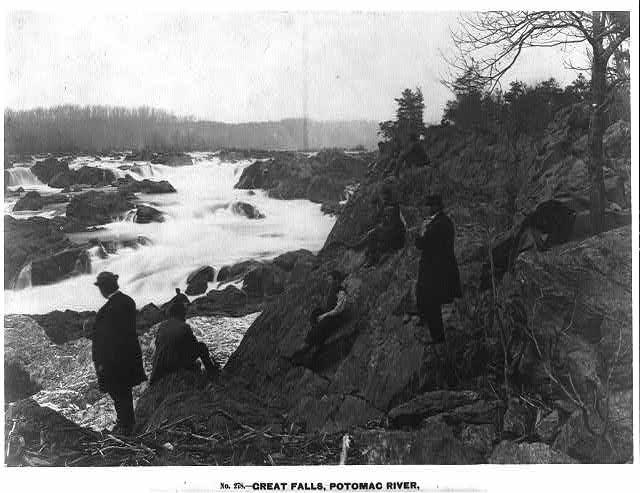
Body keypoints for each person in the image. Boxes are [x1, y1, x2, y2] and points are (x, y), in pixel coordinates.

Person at [87, 271, 146, 435]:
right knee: (125, 393)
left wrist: (101, 364)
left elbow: (105, 341)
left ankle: (125, 426)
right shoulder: (129, 302)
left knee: (119, 393)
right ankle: (127, 424)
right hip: (129, 358)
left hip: (113, 362)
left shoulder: (106, 311)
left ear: (105, 288)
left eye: (100, 287)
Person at [414, 195, 462, 344]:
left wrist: (420, 232)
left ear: (435, 207)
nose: (427, 209)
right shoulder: (446, 222)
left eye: (430, 206)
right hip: (444, 267)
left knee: (431, 301)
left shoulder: (435, 225)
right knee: (427, 296)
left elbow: (422, 244)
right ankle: (428, 323)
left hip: (434, 270)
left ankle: (437, 337)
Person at [149, 301, 220, 385]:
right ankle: (212, 373)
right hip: (173, 365)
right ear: (180, 314)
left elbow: (158, 344)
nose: (185, 315)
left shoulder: (162, 326)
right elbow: (193, 345)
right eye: (184, 313)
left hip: (160, 366)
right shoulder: (184, 326)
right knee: (202, 347)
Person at [292, 270, 349, 367]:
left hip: (335, 318)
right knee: (315, 314)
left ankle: (306, 353)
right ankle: (305, 351)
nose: (329, 281)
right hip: (329, 314)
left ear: (336, 280)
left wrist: (324, 315)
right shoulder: (332, 289)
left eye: (330, 279)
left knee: (321, 328)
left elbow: (337, 310)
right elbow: (328, 305)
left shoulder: (341, 292)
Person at [356, 183, 406, 266]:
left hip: (396, 236)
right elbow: (382, 220)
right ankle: (373, 255)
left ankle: (373, 258)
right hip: (392, 233)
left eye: (384, 196)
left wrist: (380, 229)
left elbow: (394, 226)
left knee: (372, 234)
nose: (383, 198)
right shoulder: (388, 206)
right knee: (372, 234)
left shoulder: (393, 207)